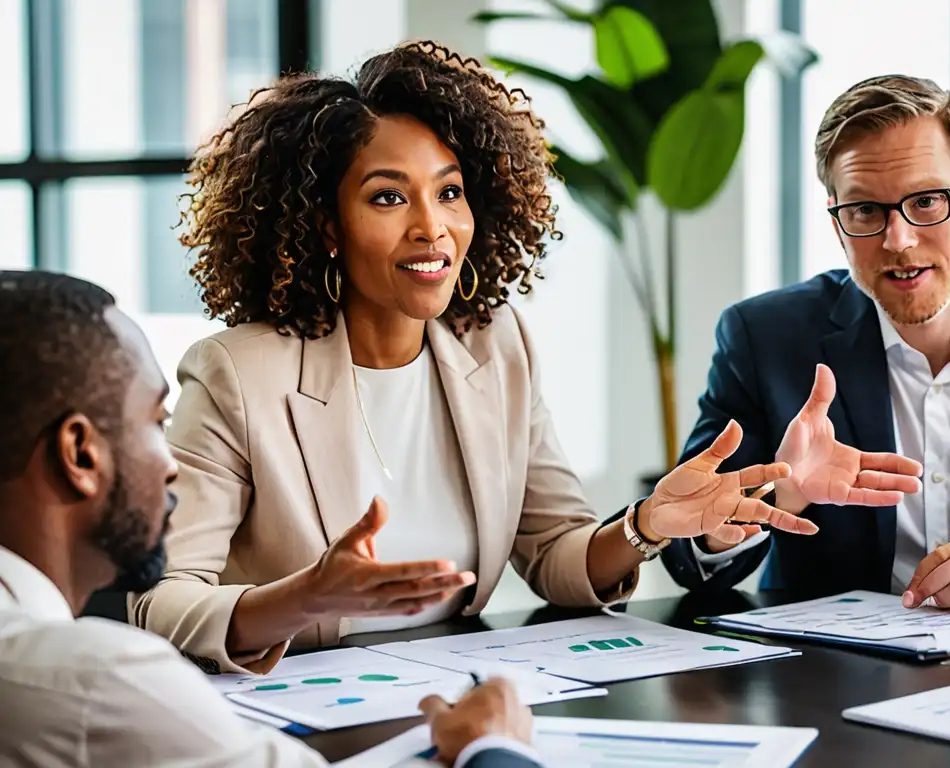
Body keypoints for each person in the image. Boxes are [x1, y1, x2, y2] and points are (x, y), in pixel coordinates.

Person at [128, 39, 816, 675]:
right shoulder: (238, 374)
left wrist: (646, 525)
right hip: (302, 716)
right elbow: (159, 606)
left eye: (450, 192)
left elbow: (554, 552)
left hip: (459, 697)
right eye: (389, 197)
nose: (433, 228)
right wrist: (306, 596)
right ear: (327, 227)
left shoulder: (495, 343)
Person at [0, 270, 542, 768]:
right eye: (155, 421)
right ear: (79, 454)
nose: (171, 465)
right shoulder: (99, 684)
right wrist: (491, 749)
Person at [655, 74, 950, 612]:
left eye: (925, 201)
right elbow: (693, 554)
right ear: (838, 222)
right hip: (836, 679)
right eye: (865, 212)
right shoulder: (767, 338)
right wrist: (780, 493)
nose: (898, 240)